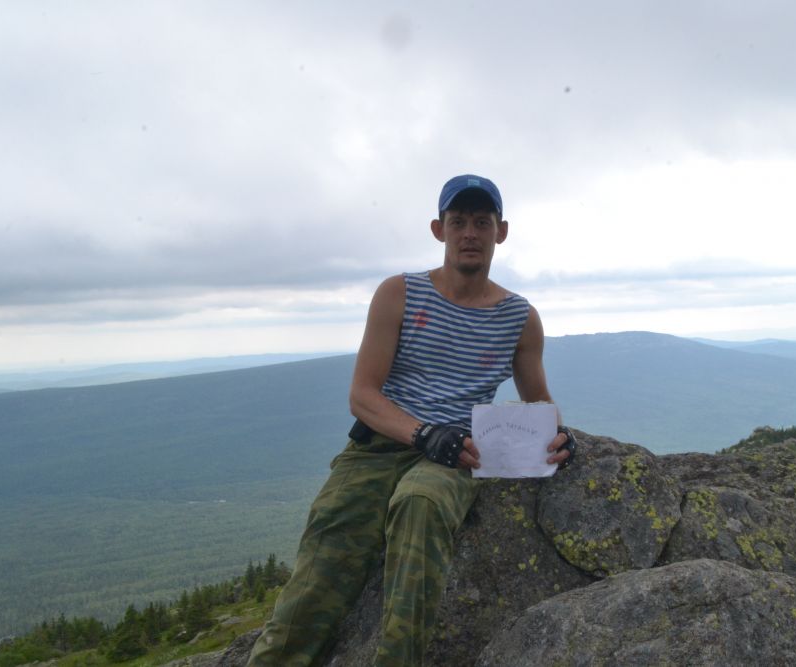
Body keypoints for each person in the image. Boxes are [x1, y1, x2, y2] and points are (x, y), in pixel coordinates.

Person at [246, 174, 576, 667]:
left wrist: (559, 435)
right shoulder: (399, 293)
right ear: (438, 230)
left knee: (421, 504)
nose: (469, 233)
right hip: (378, 447)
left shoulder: (519, 318)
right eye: (457, 221)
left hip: (455, 456)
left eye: (481, 222)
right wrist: (423, 434)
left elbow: (538, 401)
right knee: (322, 563)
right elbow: (362, 395)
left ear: (501, 232)